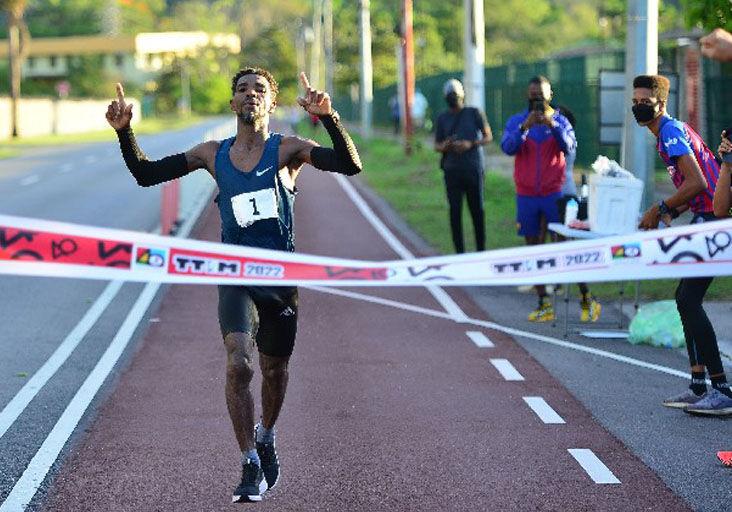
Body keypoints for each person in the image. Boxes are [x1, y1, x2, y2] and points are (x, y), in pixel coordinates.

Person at [106, 67, 362, 502]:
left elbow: (349, 165)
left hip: (281, 280)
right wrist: (125, 132)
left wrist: (330, 118)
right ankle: (248, 461)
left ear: (271, 103)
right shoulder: (213, 154)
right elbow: (147, 174)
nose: (250, 95)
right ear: (232, 104)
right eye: (242, 90)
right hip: (234, 276)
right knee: (239, 363)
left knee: (274, 369)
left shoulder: (289, 151)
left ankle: (266, 433)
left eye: (259, 90)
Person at [633, 74, 732, 416]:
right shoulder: (669, 133)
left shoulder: (671, 132)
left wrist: (659, 208)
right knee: (685, 299)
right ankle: (698, 386)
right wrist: (671, 210)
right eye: (633, 101)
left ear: (660, 103)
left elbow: (699, 182)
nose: (637, 106)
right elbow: (695, 188)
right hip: (705, 217)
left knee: (688, 299)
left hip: (715, 221)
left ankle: (720, 389)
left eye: (644, 101)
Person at [501, 76, 588, 322]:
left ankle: (584, 295)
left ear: (550, 94)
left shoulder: (560, 121)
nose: (536, 99)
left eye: (541, 94)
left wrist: (552, 125)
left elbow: (570, 147)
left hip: (554, 193)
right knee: (533, 248)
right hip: (527, 194)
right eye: (532, 94)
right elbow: (508, 147)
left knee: (564, 244)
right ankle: (543, 301)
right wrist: (524, 128)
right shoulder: (518, 121)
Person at [550, 104, 601, 323]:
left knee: (567, 248)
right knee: (556, 243)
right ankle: (558, 284)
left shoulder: (565, 139)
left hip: (564, 196)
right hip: (552, 195)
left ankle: (587, 298)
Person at [434, 78, 492, 254]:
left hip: (473, 169)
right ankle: (459, 253)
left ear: (462, 95)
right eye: (450, 95)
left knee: (477, 211)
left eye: (455, 95)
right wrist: (447, 145)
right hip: (452, 171)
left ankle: (481, 251)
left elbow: (488, 137)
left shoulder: (474, 113)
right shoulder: (442, 118)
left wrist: (471, 144)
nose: (453, 98)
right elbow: (437, 145)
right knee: (455, 213)